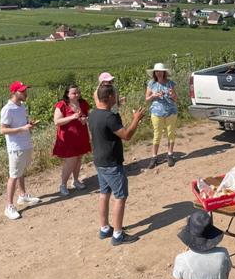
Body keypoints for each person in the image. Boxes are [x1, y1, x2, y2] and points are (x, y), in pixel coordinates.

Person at [89, 84, 146, 246]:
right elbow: (126, 135)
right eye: (114, 95)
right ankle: (118, 234)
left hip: (100, 161)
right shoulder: (109, 117)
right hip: (112, 164)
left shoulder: (93, 114)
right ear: (109, 98)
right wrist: (136, 119)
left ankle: (105, 228)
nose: (116, 97)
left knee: (104, 194)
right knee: (120, 197)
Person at [0, 81, 39, 220]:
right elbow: (3, 130)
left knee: (21, 171)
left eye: (25, 90)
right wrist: (22, 129)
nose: (25, 93)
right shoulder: (7, 109)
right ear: (14, 92)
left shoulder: (22, 106)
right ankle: (9, 206)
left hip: (25, 144)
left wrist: (29, 125)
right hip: (15, 147)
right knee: (13, 175)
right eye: (22, 91)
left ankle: (22, 196)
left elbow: (22, 123)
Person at [52, 84, 91, 196]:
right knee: (71, 160)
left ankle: (75, 180)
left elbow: (88, 115)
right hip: (67, 138)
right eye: (74, 93)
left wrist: (85, 119)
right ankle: (63, 185)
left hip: (81, 135)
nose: (77, 94)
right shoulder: (62, 105)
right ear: (67, 94)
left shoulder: (83, 103)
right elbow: (57, 121)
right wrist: (72, 117)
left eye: (78, 92)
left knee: (79, 158)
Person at [145, 63, 178, 168]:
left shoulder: (170, 83)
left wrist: (172, 95)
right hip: (156, 112)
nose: (159, 73)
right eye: (157, 71)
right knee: (157, 134)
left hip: (171, 112)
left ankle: (170, 155)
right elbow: (147, 99)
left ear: (164, 72)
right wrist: (153, 95)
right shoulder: (151, 84)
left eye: (161, 71)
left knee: (171, 133)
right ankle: (154, 157)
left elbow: (175, 99)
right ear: (154, 73)